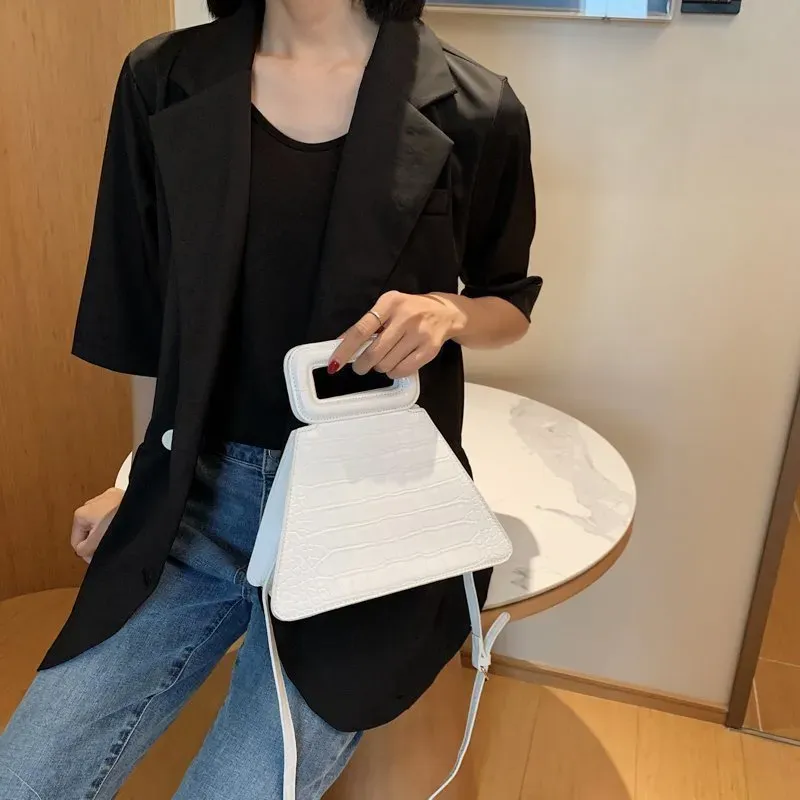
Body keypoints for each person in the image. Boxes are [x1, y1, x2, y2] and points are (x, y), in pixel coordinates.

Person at [0, 0, 540, 797]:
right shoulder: (162, 80)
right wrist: (137, 479)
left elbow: (509, 303)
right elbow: (154, 324)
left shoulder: (474, 106)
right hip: (197, 497)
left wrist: (446, 312)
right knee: (25, 775)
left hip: (365, 516)